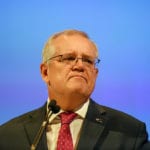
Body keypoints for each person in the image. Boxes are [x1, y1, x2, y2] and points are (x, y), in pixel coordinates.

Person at [0, 29, 149, 150]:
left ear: (95, 74)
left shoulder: (130, 132)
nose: (79, 66)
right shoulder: (8, 135)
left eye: (88, 60)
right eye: (69, 58)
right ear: (45, 72)